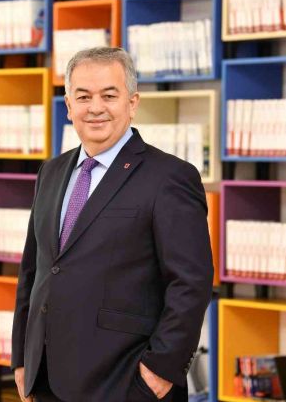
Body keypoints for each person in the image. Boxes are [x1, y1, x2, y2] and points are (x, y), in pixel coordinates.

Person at [11, 47, 213, 402]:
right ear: (68, 105)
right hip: (47, 378)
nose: (95, 108)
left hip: (126, 383)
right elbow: (33, 272)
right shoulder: (51, 172)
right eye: (83, 97)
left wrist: (159, 371)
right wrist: (22, 360)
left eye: (109, 95)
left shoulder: (170, 177)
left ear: (132, 103)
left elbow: (190, 283)